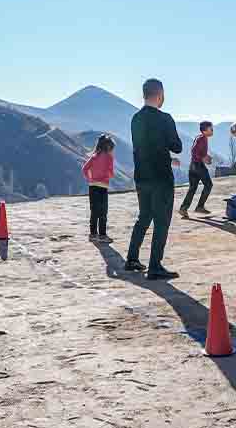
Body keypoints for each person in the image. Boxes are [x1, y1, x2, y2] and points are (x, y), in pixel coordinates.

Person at [125, 78, 182, 280]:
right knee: (161, 221)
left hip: (142, 176)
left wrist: (165, 156)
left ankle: (132, 258)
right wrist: (168, 154)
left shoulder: (135, 119)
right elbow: (177, 146)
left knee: (144, 216)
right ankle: (155, 265)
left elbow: (145, 147)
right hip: (161, 177)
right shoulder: (165, 118)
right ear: (160, 94)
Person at [82, 134, 116, 243]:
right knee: (103, 212)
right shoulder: (109, 157)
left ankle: (92, 235)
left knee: (94, 211)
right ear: (108, 147)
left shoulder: (94, 156)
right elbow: (110, 173)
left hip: (92, 186)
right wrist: (108, 175)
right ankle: (102, 235)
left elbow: (84, 169)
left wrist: (90, 178)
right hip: (102, 187)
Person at [179, 121, 215, 218]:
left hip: (193, 166)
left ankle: (183, 208)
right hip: (198, 166)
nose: (212, 130)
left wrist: (205, 156)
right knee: (208, 185)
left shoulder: (200, 138)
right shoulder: (202, 138)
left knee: (192, 188)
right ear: (204, 130)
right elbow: (194, 151)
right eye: (210, 128)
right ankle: (200, 207)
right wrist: (203, 158)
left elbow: (197, 152)